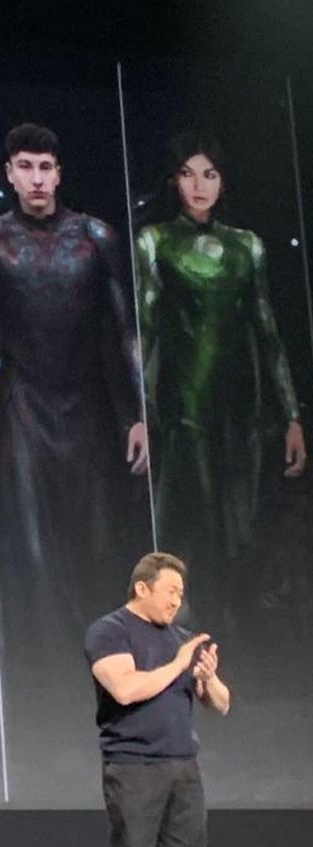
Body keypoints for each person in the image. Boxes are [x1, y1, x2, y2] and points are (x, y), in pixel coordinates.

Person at [0, 122, 147, 648]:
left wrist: (139, 415)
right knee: (32, 549)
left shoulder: (95, 236)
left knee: (96, 542)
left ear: (58, 174)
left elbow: (126, 332)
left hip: (87, 403)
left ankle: (104, 662)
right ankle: (43, 674)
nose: (36, 178)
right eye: (26, 167)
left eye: (45, 167)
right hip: (22, 403)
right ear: (9, 173)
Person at [134, 134, 306, 634]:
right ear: (174, 180)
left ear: (222, 181)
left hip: (240, 402)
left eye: (209, 174)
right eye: (188, 174)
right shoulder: (155, 241)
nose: (199, 185)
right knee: (195, 517)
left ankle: (235, 630)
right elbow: (144, 329)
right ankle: (196, 626)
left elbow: (267, 329)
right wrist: (138, 408)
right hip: (182, 401)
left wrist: (292, 416)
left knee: (239, 523)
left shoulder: (246, 245)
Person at [86, 552, 231, 847]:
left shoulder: (183, 640)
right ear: (142, 588)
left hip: (183, 767)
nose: (176, 601)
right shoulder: (110, 631)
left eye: (181, 594)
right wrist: (178, 664)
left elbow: (222, 704)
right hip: (133, 766)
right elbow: (126, 689)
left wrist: (207, 678)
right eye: (170, 591)